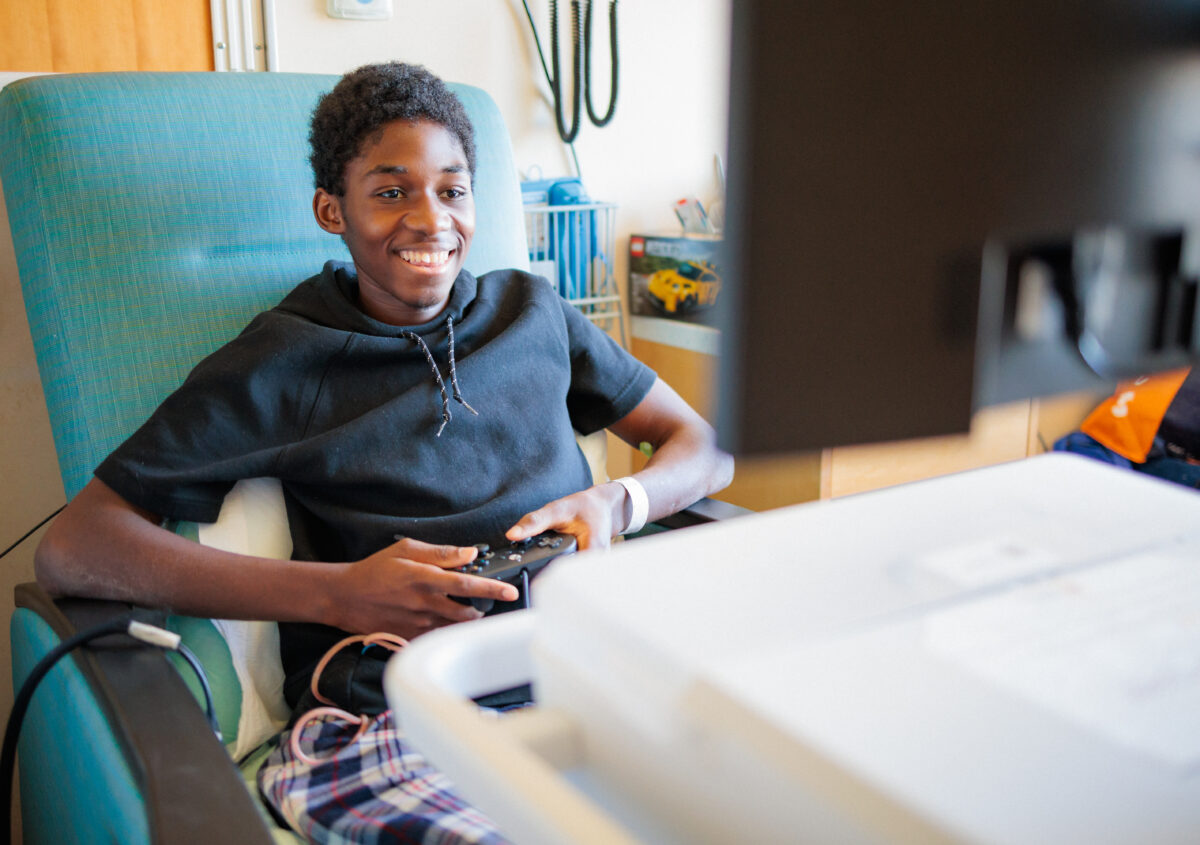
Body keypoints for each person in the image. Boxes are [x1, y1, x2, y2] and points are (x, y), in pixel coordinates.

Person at [34, 62, 733, 840]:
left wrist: (617, 500)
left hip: (584, 678)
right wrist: (337, 593)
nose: (432, 219)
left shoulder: (532, 312)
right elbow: (75, 546)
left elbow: (703, 444)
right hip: (397, 714)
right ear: (333, 209)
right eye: (392, 191)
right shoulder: (288, 358)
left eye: (453, 188)